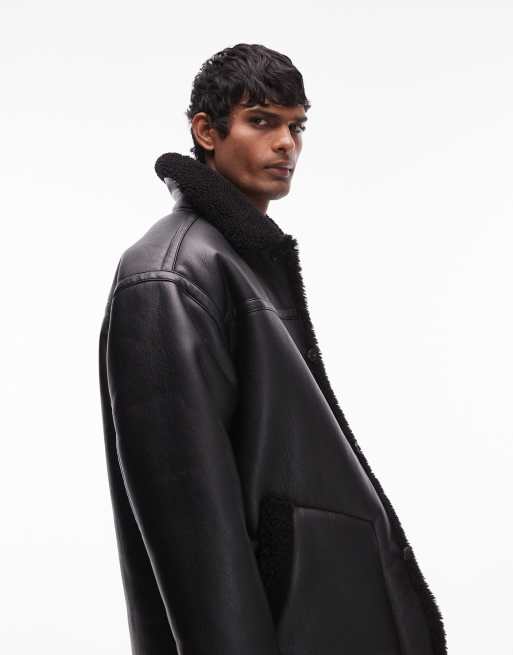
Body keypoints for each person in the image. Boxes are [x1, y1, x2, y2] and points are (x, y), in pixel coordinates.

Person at [98, 43, 447, 655]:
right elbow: (193, 533)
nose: (286, 144)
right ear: (206, 132)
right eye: (261, 121)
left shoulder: (241, 258)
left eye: (297, 126)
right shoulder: (169, 277)